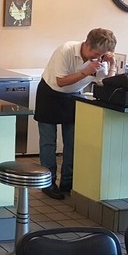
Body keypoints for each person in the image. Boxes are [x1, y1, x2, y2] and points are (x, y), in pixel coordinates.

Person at [35, 28, 116, 199]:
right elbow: (61, 81)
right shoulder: (66, 50)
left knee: (72, 142)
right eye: (95, 53)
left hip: (73, 96)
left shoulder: (99, 59)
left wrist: (112, 66)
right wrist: (85, 71)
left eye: (101, 55)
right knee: (48, 142)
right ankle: (48, 183)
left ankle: (68, 182)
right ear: (86, 44)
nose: (97, 58)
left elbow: (104, 83)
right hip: (50, 93)